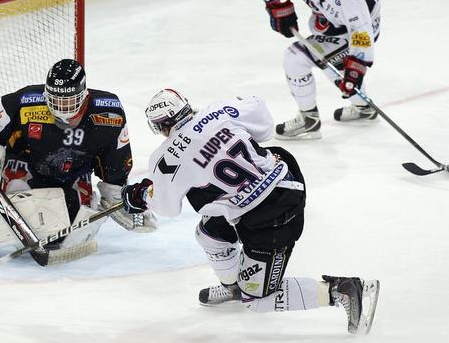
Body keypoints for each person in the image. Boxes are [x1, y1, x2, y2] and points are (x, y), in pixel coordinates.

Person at [121, 88, 380, 334]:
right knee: (209, 235)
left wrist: (143, 195)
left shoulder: (165, 158)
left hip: (273, 218)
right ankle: (234, 286)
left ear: (161, 126)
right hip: (286, 181)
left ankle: (341, 290)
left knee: (257, 300)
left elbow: (167, 207)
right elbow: (264, 122)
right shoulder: (218, 110)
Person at [0, 59, 156, 266]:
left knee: (75, 235)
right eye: (56, 100)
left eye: (68, 101)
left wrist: (117, 194)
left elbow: (115, 161)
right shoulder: (24, 102)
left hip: (74, 175)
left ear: (84, 95)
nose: (61, 108)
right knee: (27, 215)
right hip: (25, 167)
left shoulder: (109, 112)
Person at [259, 0, 381, 139]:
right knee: (334, 63)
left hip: (357, 31)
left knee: (295, 57)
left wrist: (356, 69)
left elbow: (361, 31)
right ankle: (364, 107)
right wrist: (273, 4)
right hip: (332, 24)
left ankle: (308, 118)